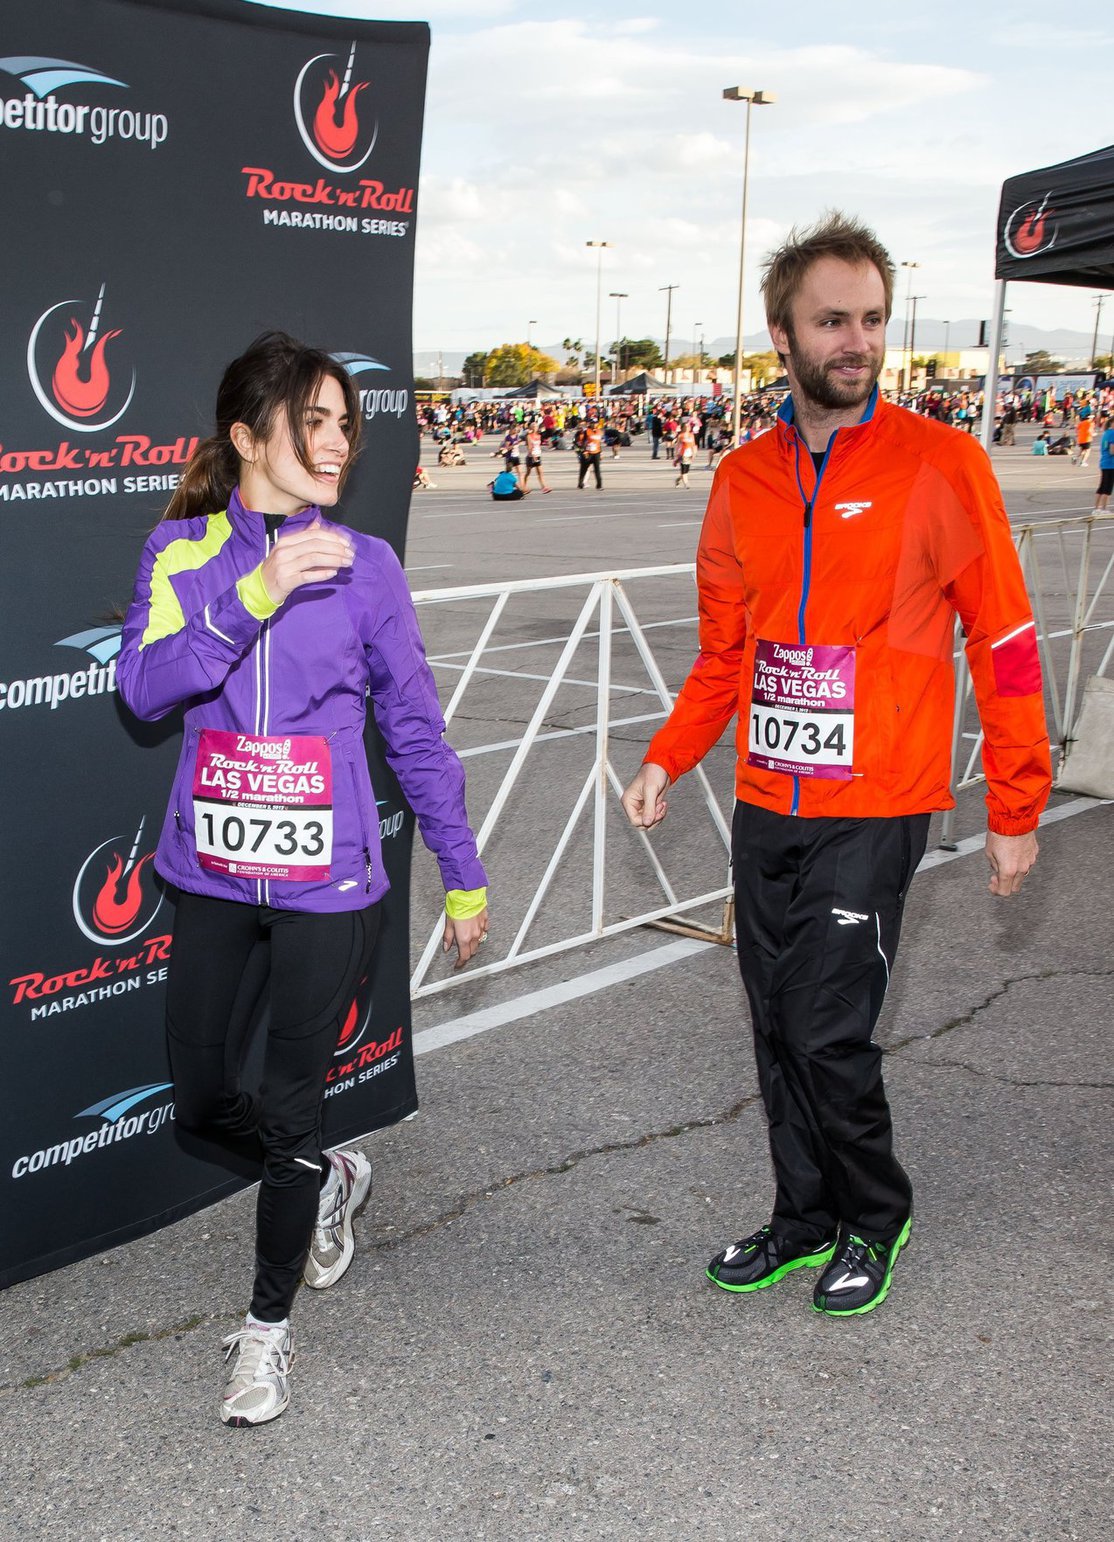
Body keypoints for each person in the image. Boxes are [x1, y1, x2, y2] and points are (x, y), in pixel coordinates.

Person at [620, 213, 1051, 1318]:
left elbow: (1000, 641)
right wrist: (670, 756)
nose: (856, 340)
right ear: (782, 334)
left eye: (870, 319)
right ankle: (801, 1215)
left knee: (825, 1025)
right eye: (832, 320)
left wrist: (1016, 803)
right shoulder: (741, 480)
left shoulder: (939, 464)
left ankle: (874, 1214)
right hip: (768, 797)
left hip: (880, 802)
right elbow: (726, 653)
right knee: (773, 1019)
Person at [116, 332, 489, 1425]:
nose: (334, 442)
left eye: (341, 424)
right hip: (217, 875)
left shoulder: (368, 564)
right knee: (198, 1097)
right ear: (247, 436)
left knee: (286, 1107)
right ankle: (324, 1175)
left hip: (329, 884)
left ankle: (266, 1334)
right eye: (311, 421)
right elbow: (142, 690)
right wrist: (256, 593)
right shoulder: (182, 552)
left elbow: (414, 730)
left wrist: (461, 876)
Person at [521, 425, 552, 493]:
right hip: (531, 456)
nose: (536, 427)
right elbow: (529, 447)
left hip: (538, 455)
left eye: (536, 426)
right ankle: (523, 487)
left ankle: (544, 487)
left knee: (540, 473)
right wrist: (533, 455)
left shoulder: (539, 436)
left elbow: (539, 445)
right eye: (534, 426)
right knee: (528, 473)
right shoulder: (529, 436)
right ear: (531, 428)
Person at [577, 416, 603, 489]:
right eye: (592, 423)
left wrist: (601, 453)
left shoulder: (599, 431)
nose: (594, 425)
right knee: (584, 469)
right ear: (589, 423)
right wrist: (584, 451)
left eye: (595, 423)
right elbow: (583, 442)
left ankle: (599, 485)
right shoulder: (586, 431)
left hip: (596, 452)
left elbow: (599, 443)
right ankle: (580, 483)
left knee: (597, 469)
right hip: (588, 453)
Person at [1095, 413, 1114, 510]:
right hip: (1111, 463)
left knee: (1102, 486)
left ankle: (1096, 508)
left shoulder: (1106, 433)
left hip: (1104, 462)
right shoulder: (1113, 434)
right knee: (1108, 488)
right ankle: (1104, 509)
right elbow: (1112, 450)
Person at [674, 422, 696, 487]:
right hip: (682, 453)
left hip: (689, 453)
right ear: (683, 428)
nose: (687, 428)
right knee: (684, 470)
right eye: (686, 427)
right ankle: (686, 483)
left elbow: (693, 445)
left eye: (688, 426)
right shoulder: (681, 435)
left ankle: (678, 480)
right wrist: (676, 454)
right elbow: (678, 445)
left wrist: (694, 453)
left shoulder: (691, 435)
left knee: (686, 470)